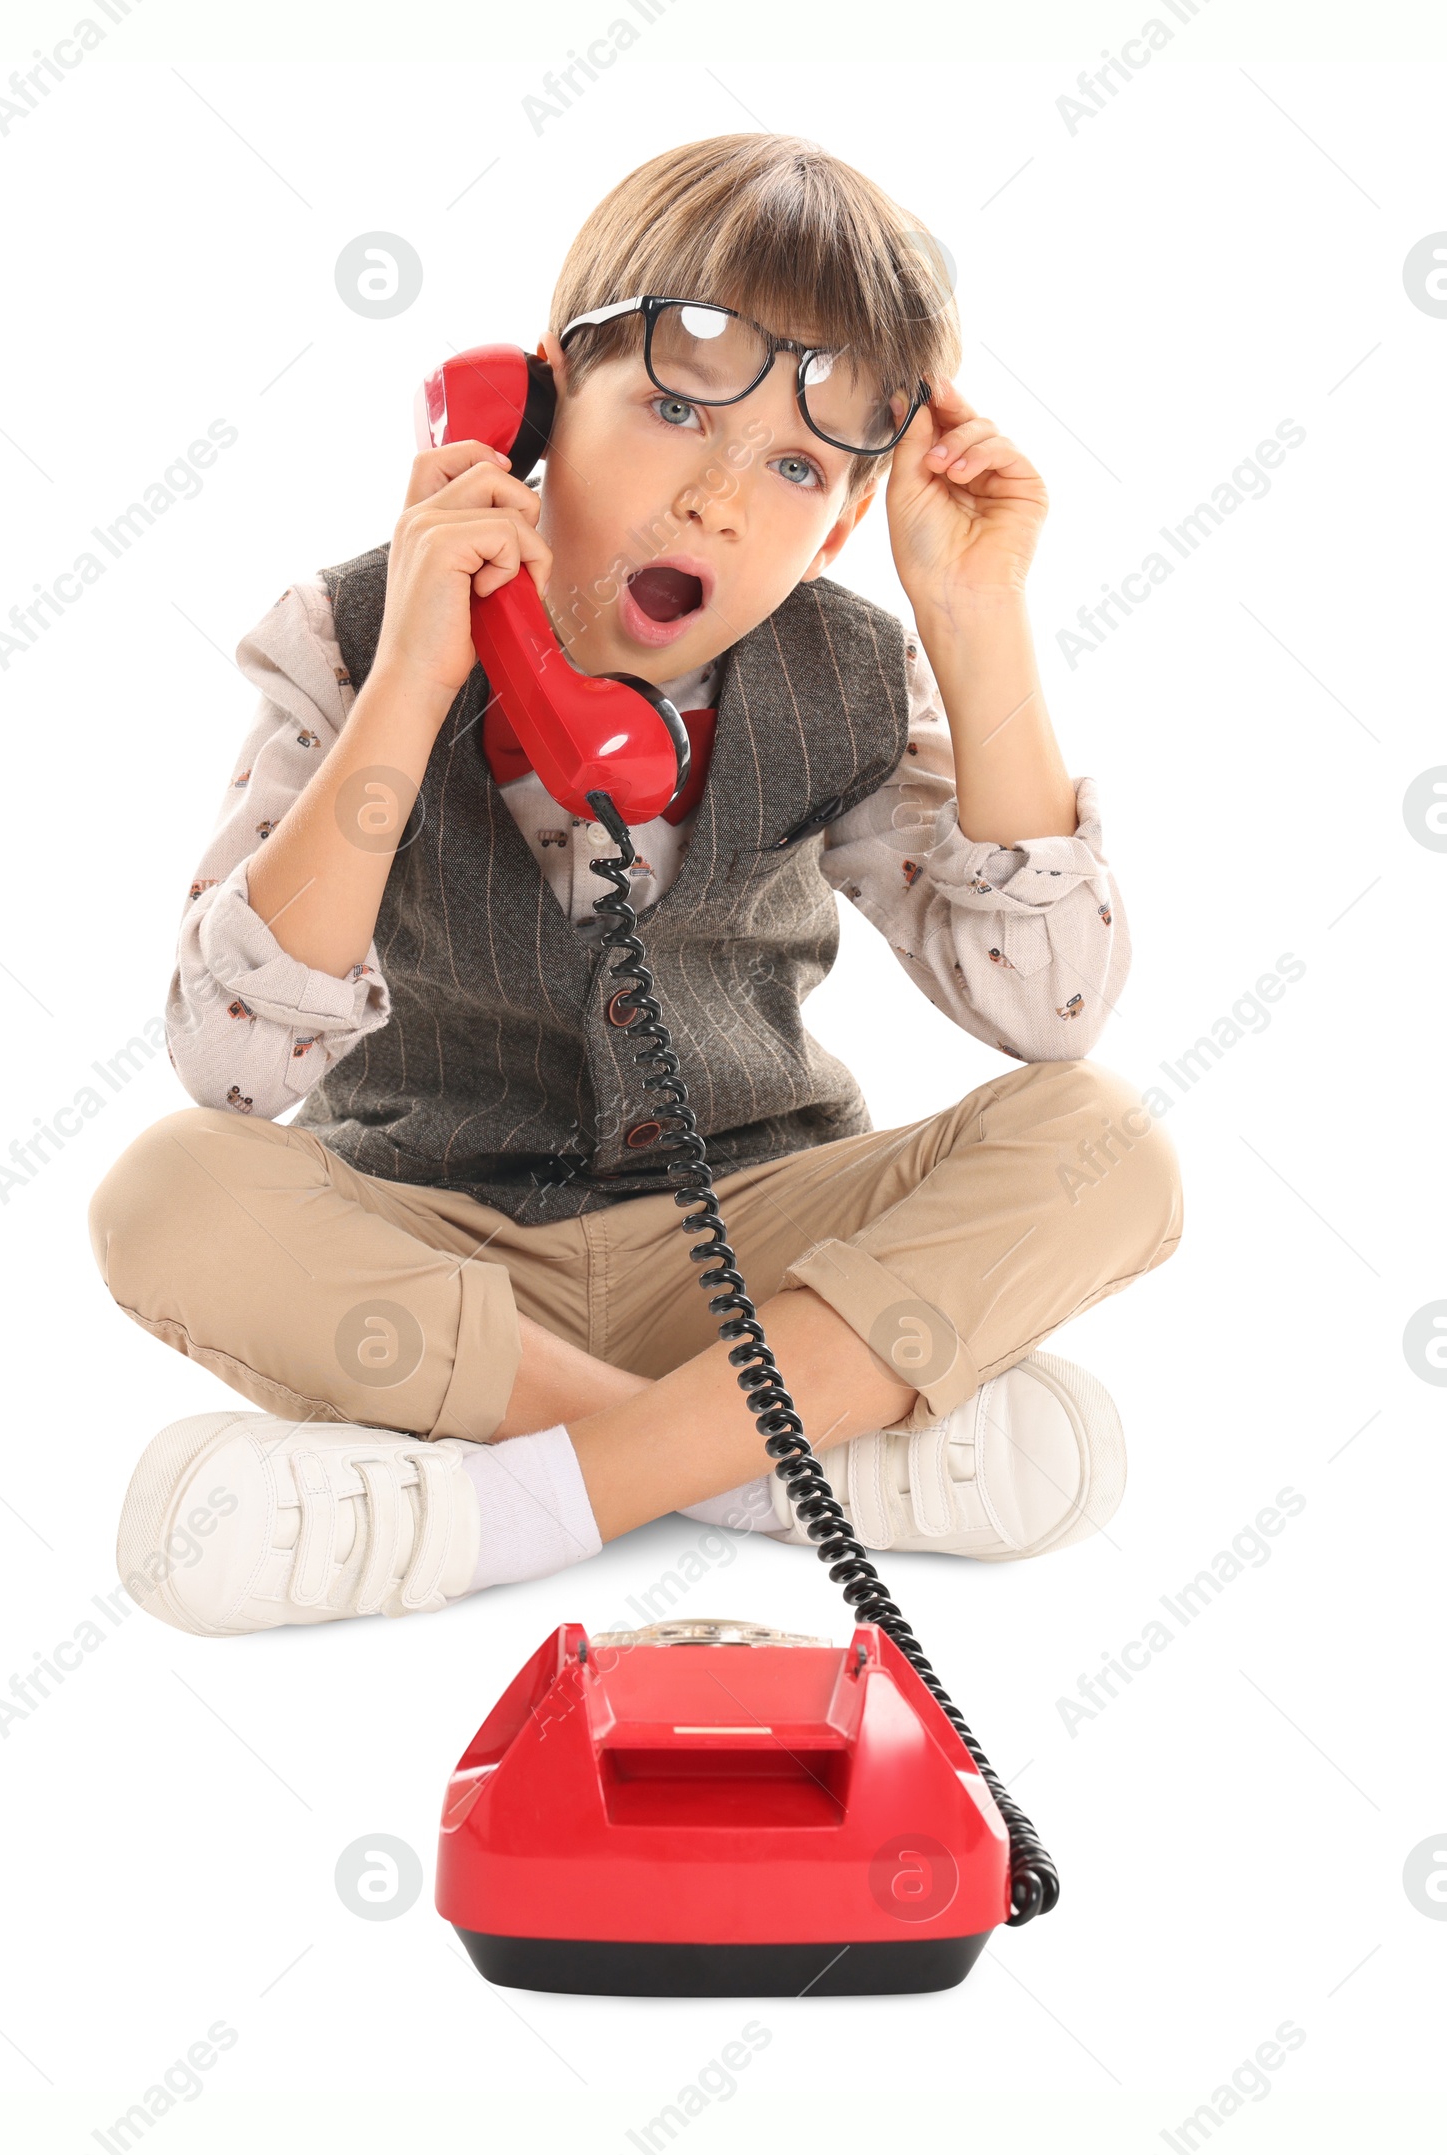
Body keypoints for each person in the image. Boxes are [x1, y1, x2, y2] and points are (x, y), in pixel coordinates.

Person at [87, 134, 1182, 1638]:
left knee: (1103, 1142)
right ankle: (772, 1466)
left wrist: (976, 617)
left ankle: (538, 1495)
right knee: (166, 1193)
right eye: (673, 408)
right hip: (443, 1252)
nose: (719, 501)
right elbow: (227, 1068)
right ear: (534, 404)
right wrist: (413, 683)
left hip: (748, 1247)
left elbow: (1046, 1007)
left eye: (795, 466)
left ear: (847, 518)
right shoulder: (352, 635)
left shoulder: (847, 673)